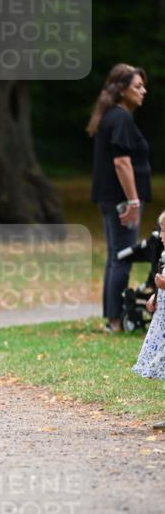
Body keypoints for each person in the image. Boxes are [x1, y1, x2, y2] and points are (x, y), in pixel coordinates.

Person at [88, 63, 152, 333]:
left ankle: (113, 319)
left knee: (116, 256)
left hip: (111, 199)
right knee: (122, 257)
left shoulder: (111, 115)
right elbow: (121, 163)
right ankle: (115, 321)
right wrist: (133, 201)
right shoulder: (121, 118)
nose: (143, 91)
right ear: (122, 89)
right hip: (121, 201)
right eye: (137, 86)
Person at [132, 210, 165, 381]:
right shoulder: (164, 256)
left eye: (164, 231)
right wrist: (155, 295)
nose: (160, 235)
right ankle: (154, 368)